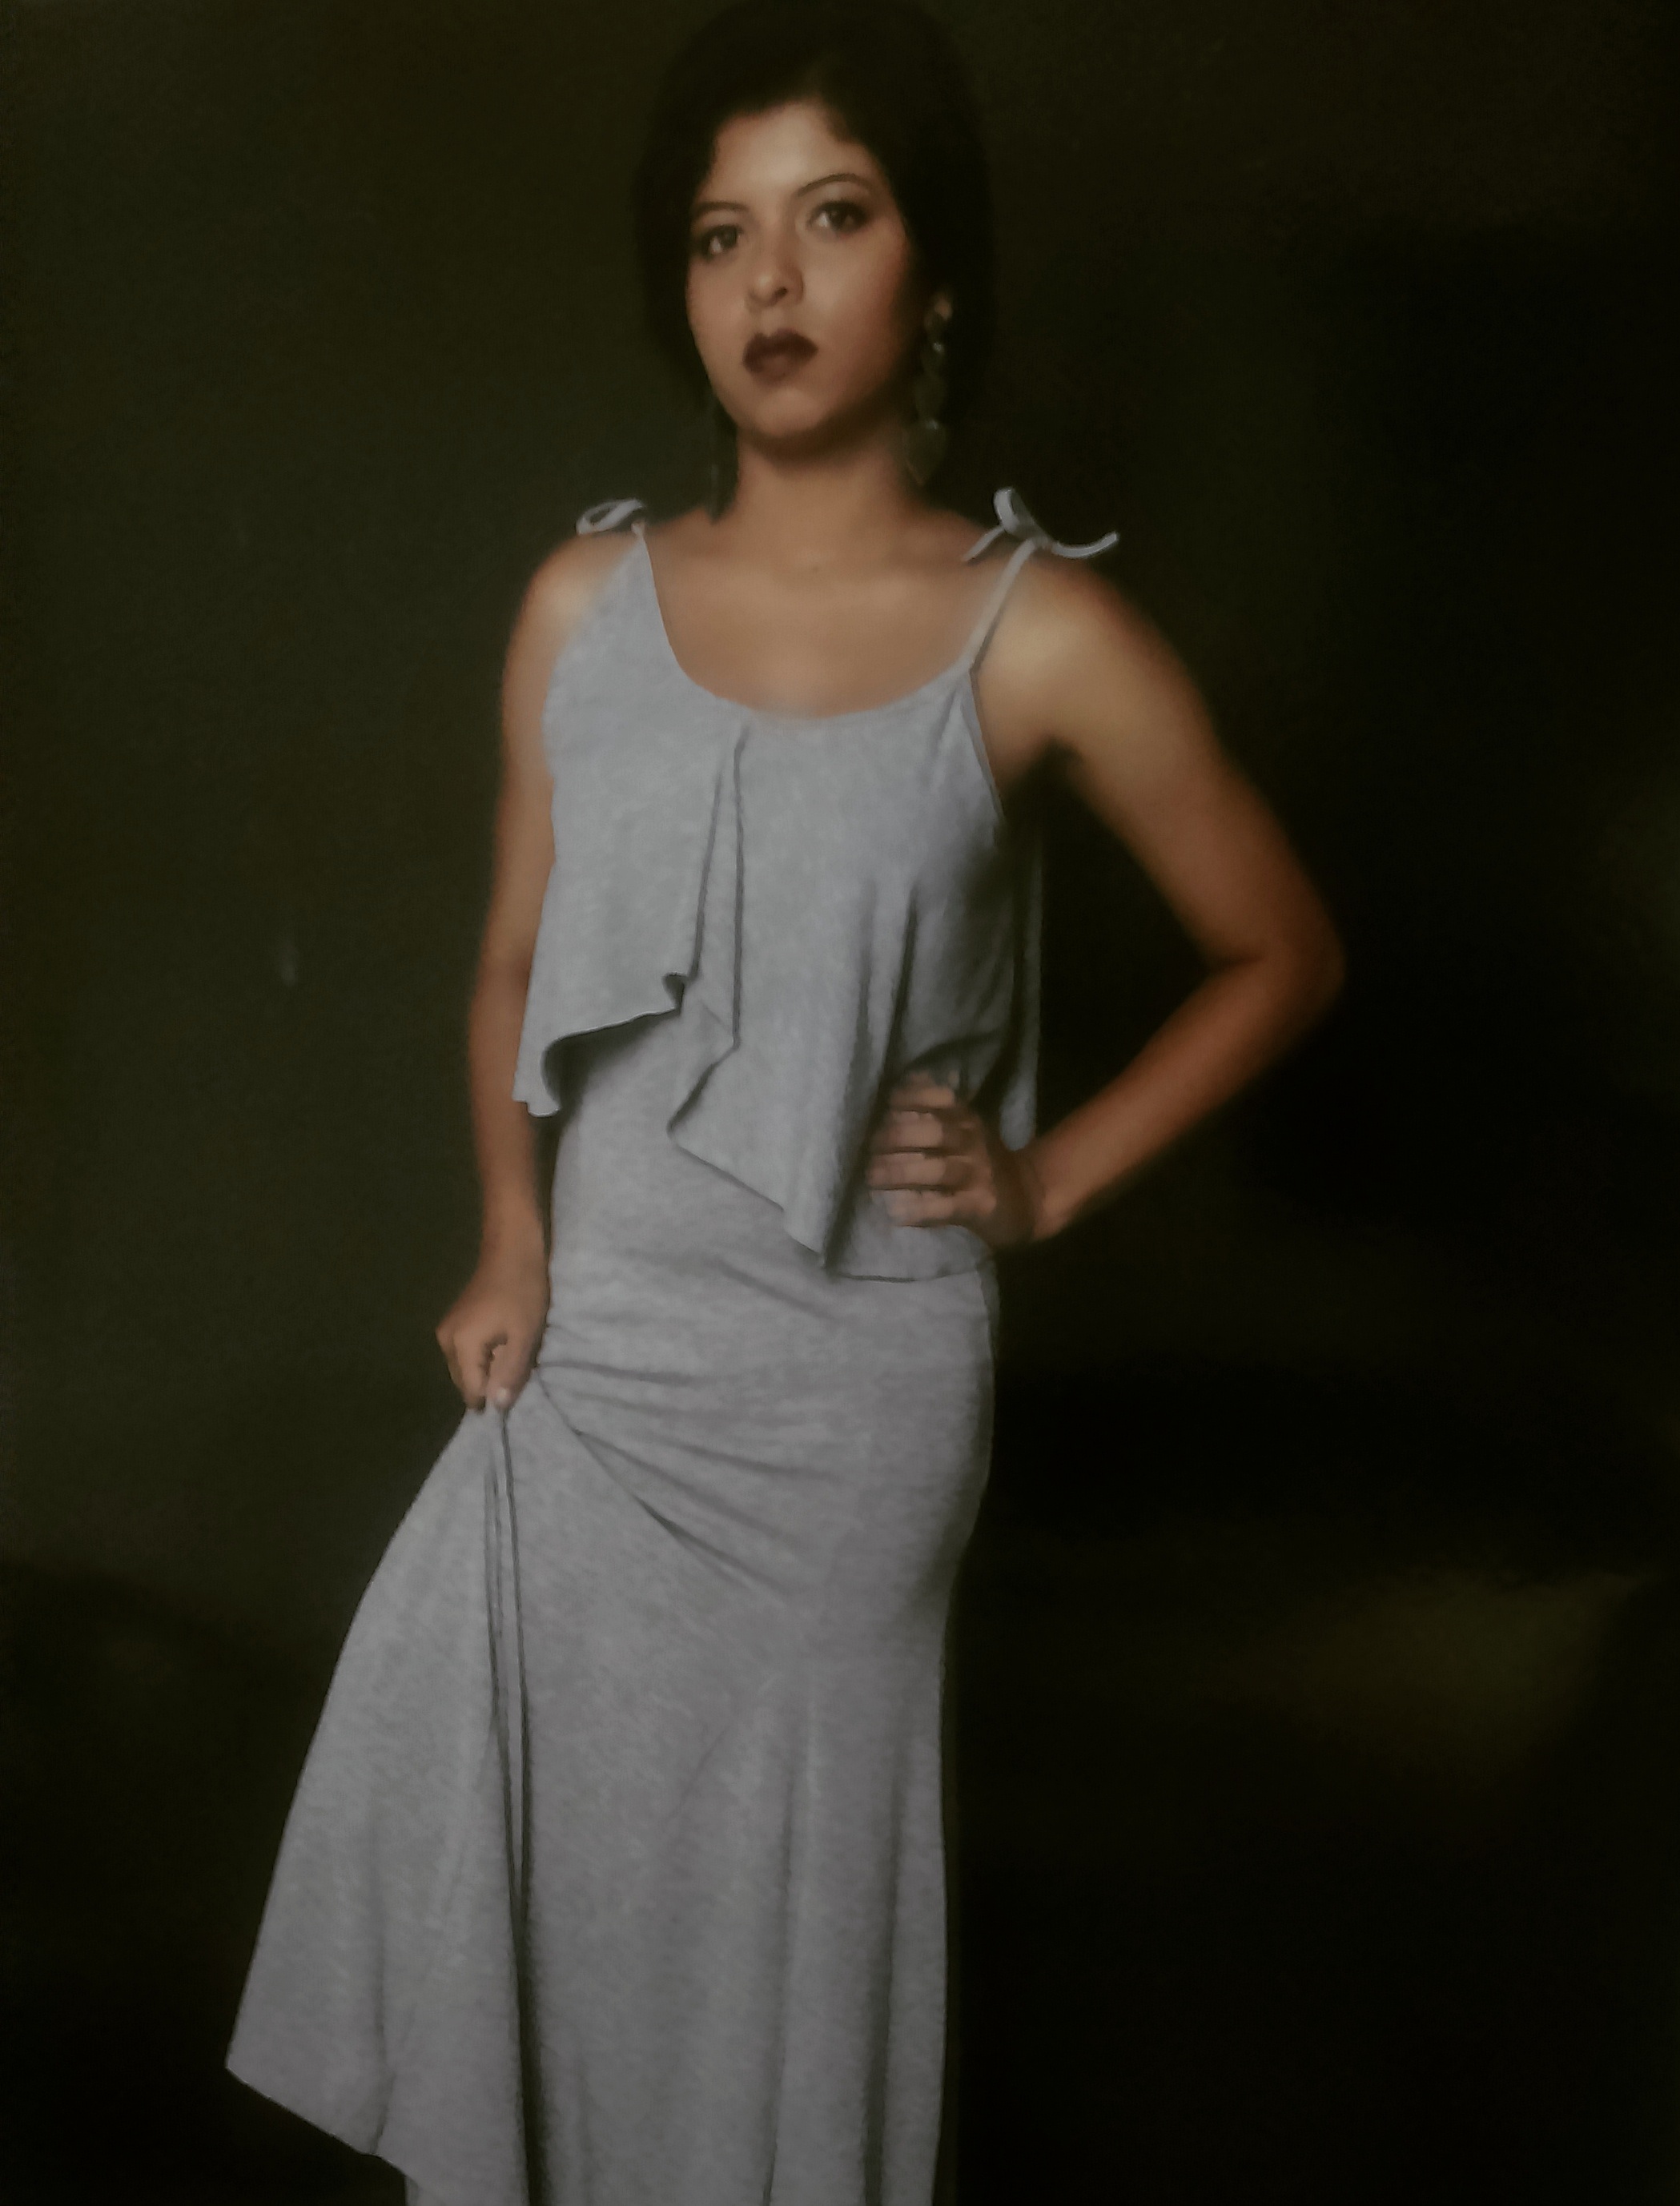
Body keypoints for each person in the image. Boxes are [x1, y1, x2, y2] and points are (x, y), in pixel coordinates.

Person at [225, 3, 1344, 2201]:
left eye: (832, 217)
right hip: (601, 1366)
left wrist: (1042, 1184)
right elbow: (506, 958)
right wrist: (510, 1237)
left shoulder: (1041, 631)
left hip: (851, 1408)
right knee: (537, 1924)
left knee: (783, 1953)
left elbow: (1282, 949)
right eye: (722, 233)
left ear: (934, 276)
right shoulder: (580, 602)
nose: (769, 281)